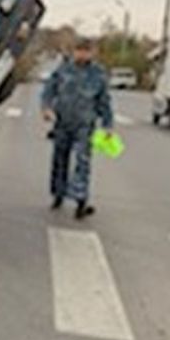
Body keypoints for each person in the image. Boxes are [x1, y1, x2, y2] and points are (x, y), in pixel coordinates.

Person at [40, 37, 113, 219]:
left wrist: (107, 125)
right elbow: (49, 90)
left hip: (85, 125)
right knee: (59, 159)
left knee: (83, 161)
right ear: (74, 52)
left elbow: (104, 101)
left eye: (86, 50)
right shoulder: (63, 70)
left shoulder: (98, 74)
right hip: (63, 122)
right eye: (79, 50)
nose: (82, 54)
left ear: (92, 52)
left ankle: (81, 200)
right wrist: (46, 108)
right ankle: (58, 194)